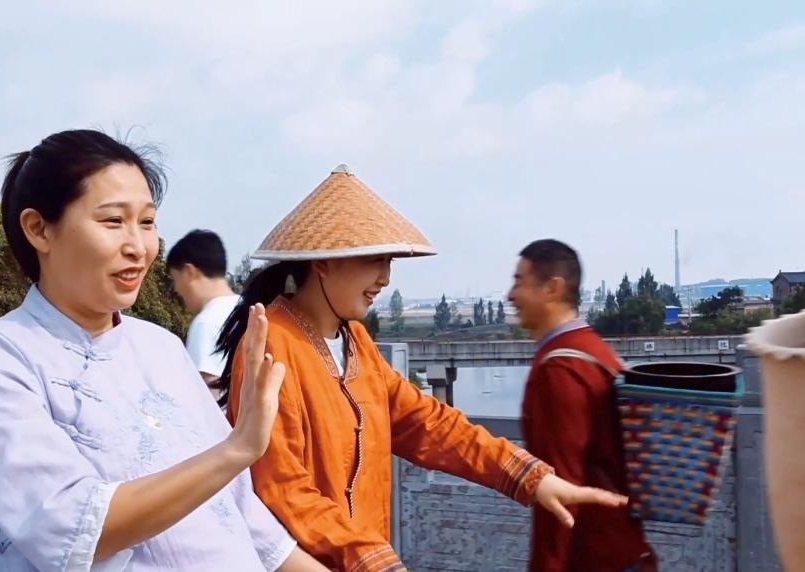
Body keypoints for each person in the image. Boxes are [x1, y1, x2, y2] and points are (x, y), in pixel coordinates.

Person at [216, 165, 629, 572]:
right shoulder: (271, 346)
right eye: (375, 259)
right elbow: (281, 487)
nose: (385, 278)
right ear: (324, 262)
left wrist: (532, 478)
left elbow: (429, 424)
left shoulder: (356, 341)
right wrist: (369, 558)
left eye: (390, 261)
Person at [0, 129, 325, 571]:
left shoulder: (162, 347)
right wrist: (237, 448)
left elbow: (246, 520)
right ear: (39, 229)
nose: (138, 247)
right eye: (113, 221)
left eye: (147, 222)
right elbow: (74, 528)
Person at [508, 239, 657, 571]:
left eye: (519, 282)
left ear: (553, 288)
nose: (511, 295)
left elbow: (561, 486)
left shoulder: (560, 369)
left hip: (594, 557)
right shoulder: (593, 350)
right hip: (624, 548)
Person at [168, 229, 241, 400]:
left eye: (175, 279)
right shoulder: (247, 308)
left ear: (189, 272)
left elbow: (208, 399)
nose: (176, 289)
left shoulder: (206, 324)